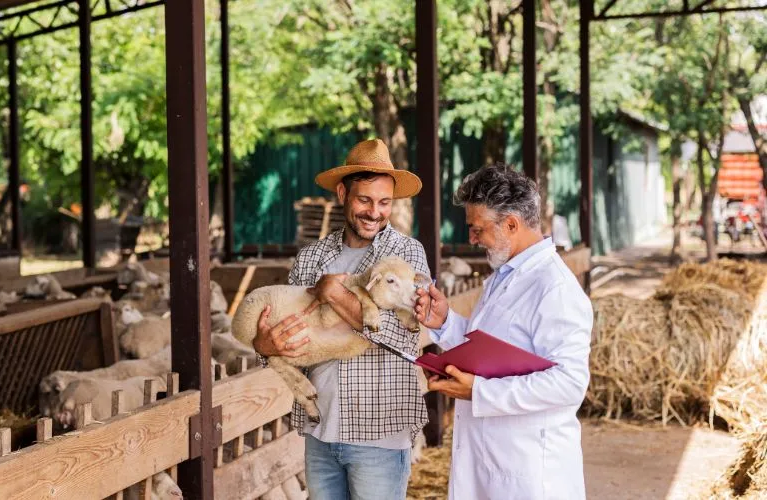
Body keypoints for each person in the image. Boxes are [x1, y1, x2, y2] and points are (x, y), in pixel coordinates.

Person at [251, 138, 430, 499]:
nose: (374, 212)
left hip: (379, 433)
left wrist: (335, 294)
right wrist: (265, 346)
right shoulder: (311, 258)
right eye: (364, 200)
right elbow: (293, 334)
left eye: (384, 203)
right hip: (321, 433)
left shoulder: (406, 253)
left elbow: (402, 337)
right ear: (342, 194)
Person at [414, 163, 593, 499]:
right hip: (493, 458)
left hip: (529, 470)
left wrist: (479, 393)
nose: (471, 238)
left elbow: (569, 383)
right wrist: (447, 322)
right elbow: (492, 349)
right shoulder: (505, 275)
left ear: (511, 224)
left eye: (477, 228)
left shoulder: (555, 288)